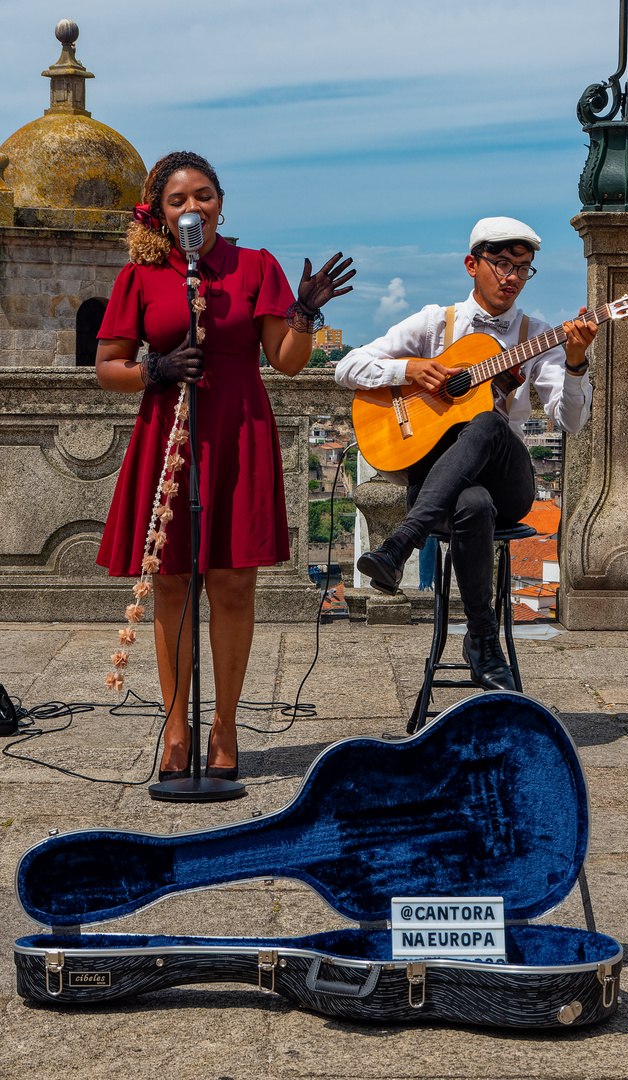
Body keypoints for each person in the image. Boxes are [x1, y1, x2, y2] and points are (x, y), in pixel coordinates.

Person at [96, 150, 354, 784]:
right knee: (173, 583)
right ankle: (178, 727)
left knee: (235, 583)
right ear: (159, 213)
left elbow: (287, 361)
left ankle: (226, 727)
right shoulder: (142, 275)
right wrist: (153, 369)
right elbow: (109, 367)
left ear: (221, 202)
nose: (193, 207)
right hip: (170, 434)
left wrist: (304, 312)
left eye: (204, 195)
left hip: (238, 429)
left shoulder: (255, 267)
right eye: (178, 200)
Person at [335, 216, 596, 690]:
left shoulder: (537, 336)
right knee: (471, 504)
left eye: (523, 267)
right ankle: (482, 641)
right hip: (446, 490)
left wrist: (576, 364)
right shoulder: (437, 323)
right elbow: (347, 367)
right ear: (472, 265)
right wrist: (410, 369)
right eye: (501, 264)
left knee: (492, 421)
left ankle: (401, 541)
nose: (512, 276)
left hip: (508, 482)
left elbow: (572, 421)